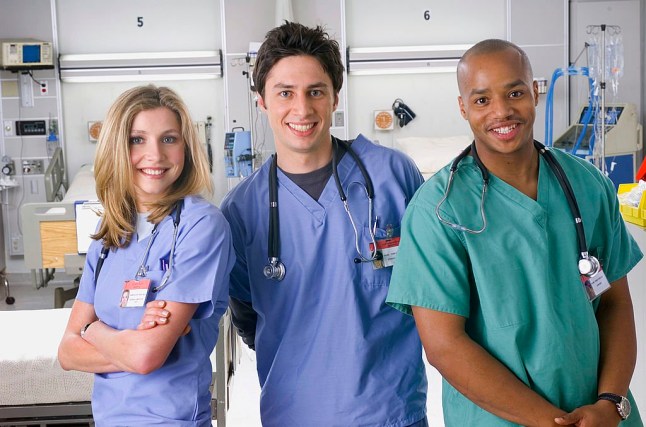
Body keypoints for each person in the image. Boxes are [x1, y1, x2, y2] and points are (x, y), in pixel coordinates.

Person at [386, 39, 643, 427]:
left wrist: (611, 402)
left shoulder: (587, 185)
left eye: (515, 92)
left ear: (535, 92)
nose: (502, 111)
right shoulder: (438, 210)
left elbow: (614, 303)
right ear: (463, 108)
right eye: (482, 100)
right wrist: (553, 422)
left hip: (600, 414)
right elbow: (444, 346)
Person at [220, 22, 427, 426]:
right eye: (285, 93)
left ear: (335, 97)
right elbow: (245, 313)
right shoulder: (241, 211)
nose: (302, 109)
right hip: (294, 413)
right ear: (261, 101)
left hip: (390, 411)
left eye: (315, 91)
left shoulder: (392, 177)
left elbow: (432, 285)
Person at [58, 85, 235, 425]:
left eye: (169, 138)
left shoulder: (200, 227)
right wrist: (130, 342)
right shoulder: (108, 240)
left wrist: (94, 331)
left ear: (186, 147)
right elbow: (67, 352)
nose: (155, 155)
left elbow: (145, 356)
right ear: (116, 148)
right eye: (137, 139)